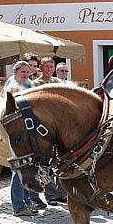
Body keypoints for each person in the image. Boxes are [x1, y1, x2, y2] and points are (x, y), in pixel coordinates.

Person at [4, 61, 48, 216]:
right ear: (15, 72)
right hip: (19, 133)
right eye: (23, 72)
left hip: (27, 130)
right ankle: (18, 206)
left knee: (28, 166)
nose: (26, 74)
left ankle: (29, 200)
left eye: (28, 71)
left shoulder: (27, 83)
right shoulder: (13, 87)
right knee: (19, 169)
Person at [31, 57, 67, 205]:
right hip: (43, 126)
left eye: (51, 67)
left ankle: (61, 192)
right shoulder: (35, 84)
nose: (50, 69)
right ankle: (50, 194)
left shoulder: (58, 83)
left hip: (58, 126)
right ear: (41, 68)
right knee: (44, 163)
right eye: (47, 67)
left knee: (60, 160)